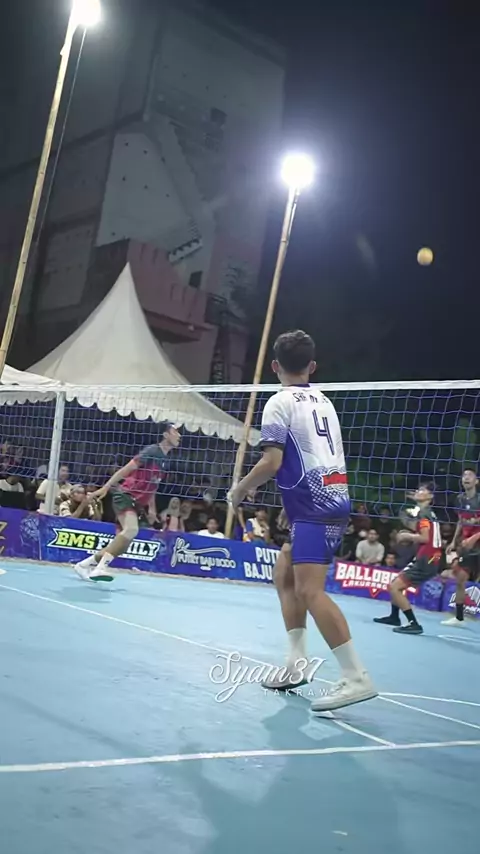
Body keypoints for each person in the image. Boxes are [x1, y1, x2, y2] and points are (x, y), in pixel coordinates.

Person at [228, 329, 377, 713]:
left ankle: (355, 676)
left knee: (311, 591)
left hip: (313, 506)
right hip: (330, 497)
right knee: (285, 573)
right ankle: (295, 664)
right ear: (312, 366)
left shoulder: (279, 402)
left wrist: (240, 489)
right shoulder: (324, 401)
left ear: (274, 365)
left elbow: (272, 462)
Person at [74, 422, 180, 582]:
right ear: (166, 435)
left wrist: (152, 508)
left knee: (123, 544)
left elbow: (153, 485)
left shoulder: (166, 461)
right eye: (175, 432)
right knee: (131, 530)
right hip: (125, 495)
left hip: (138, 504)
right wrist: (106, 487)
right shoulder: (151, 451)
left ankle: (84, 565)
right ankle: (100, 568)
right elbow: (125, 469)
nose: (179, 435)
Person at [373, 484, 443, 635]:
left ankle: (414, 624)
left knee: (395, 587)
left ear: (430, 496)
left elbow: (425, 538)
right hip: (431, 556)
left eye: (422, 490)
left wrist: (407, 536)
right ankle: (394, 617)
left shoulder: (424, 514)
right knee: (395, 583)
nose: (418, 491)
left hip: (427, 557)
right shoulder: (429, 513)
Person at [441, 468, 480, 627]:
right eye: (464, 475)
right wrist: (453, 541)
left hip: (477, 543)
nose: (466, 478)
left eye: (470, 475)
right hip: (468, 548)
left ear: (476, 481)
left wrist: (474, 538)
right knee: (460, 579)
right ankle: (459, 617)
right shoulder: (460, 499)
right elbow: (460, 521)